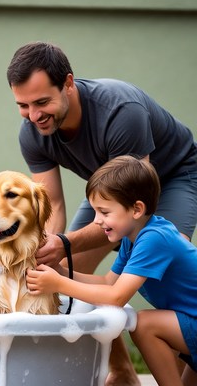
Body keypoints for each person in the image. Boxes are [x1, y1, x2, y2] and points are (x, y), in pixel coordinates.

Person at [6, 41, 197, 385]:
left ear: (68, 83)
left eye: (42, 102)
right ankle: (123, 372)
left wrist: (65, 248)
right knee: (67, 268)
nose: (34, 116)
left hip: (168, 176)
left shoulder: (120, 109)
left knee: (161, 264)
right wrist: (50, 248)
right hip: (110, 194)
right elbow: (54, 206)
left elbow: (133, 197)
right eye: (23, 106)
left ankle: (178, 356)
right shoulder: (33, 133)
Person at [26, 155, 197, 386]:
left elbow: (116, 297)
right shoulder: (133, 238)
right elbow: (108, 283)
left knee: (144, 324)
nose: (96, 221)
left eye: (104, 212)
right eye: (95, 211)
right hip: (190, 321)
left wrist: (57, 284)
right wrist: (61, 272)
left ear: (136, 209)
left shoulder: (154, 239)